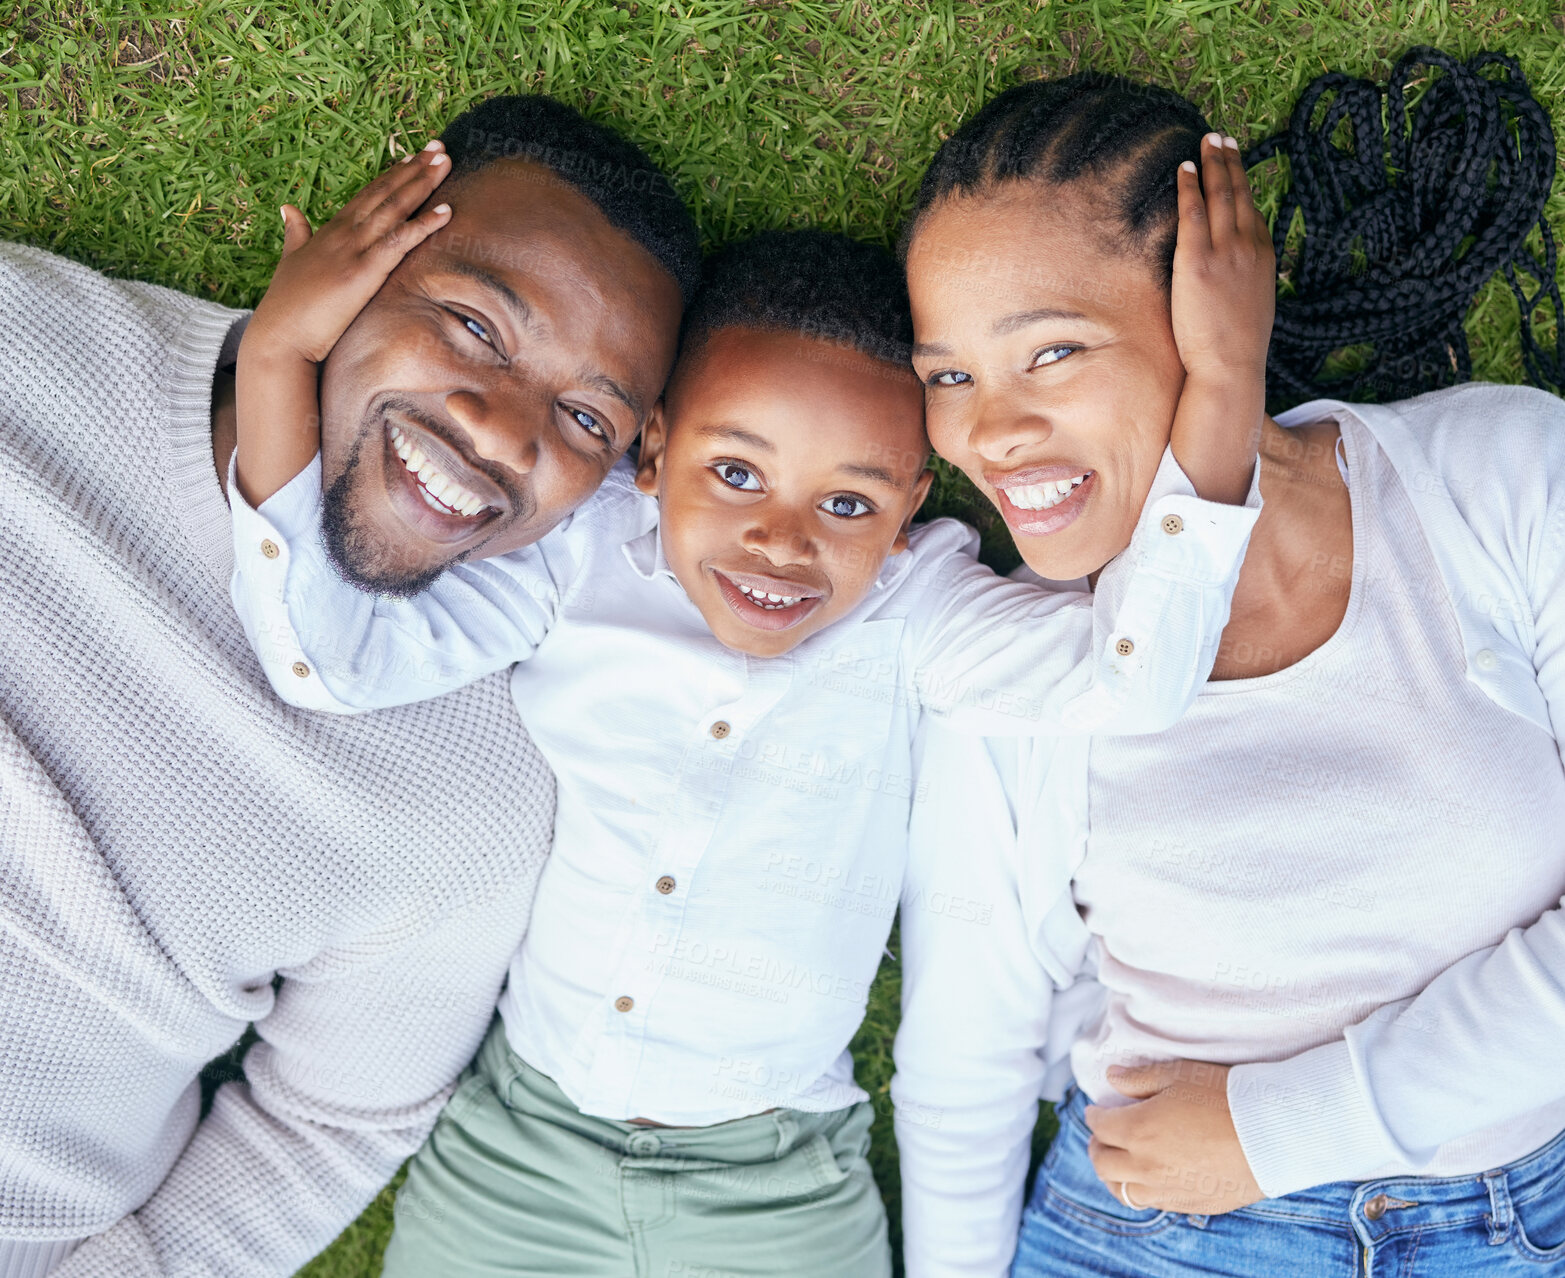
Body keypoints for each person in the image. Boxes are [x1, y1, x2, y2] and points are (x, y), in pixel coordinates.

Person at [223, 144, 1271, 1268]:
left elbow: (1133, 675)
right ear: (654, 447)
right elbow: (327, 659)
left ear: (912, 506)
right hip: (517, 1155)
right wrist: (280, 351)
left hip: (776, 1190)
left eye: (847, 500)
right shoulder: (578, 563)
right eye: (734, 473)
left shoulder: (917, 612)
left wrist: (1224, 378)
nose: (783, 540)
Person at [0, 92, 698, 1278]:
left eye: (584, 415)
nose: (499, 427)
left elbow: (333, 1120)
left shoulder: (477, 791)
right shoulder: (28, 345)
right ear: (359, 255)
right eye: (477, 326)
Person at [892, 71, 1565, 1278]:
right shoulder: (1005, 668)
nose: (986, 432)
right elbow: (965, 1048)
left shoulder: (1500, 477)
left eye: (1049, 351)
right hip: (1145, 1239)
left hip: (1519, 1219)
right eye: (948, 376)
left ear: (1214, 310)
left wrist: (1282, 1133)